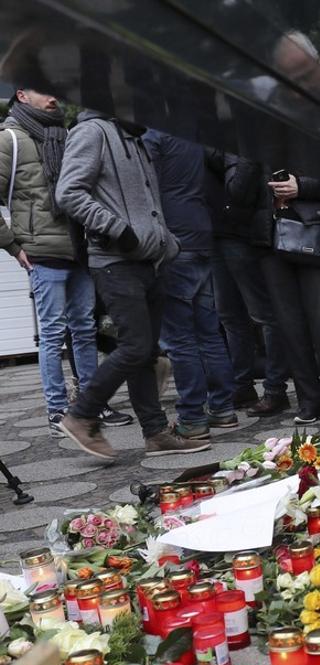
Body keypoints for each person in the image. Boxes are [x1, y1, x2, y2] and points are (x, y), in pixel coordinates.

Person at [54, 110, 208, 459]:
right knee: (136, 347)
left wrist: (167, 244)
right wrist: (117, 230)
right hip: (115, 262)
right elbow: (69, 192)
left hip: (150, 262)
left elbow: (147, 205)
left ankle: (155, 434)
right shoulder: (92, 132)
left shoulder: (134, 138)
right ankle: (81, 414)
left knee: (146, 353)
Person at [0, 89, 132, 433]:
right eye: (43, 90)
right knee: (53, 335)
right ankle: (57, 410)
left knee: (85, 330)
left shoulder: (69, 134)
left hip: (78, 247)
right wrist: (13, 246)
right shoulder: (11, 138)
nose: (53, 97)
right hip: (42, 251)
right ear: (22, 94)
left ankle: (91, 404)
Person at [143, 128, 237, 441]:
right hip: (200, 231)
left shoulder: (152, 136)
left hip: (173, 237)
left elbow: (147, 186)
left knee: (180, 338)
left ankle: (192, 417)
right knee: (208, 330)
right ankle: (223, 408)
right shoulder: (188, 132)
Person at [262, 169, 320, 426]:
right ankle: (311, 401)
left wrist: (301, 187)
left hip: (312, 230)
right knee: (289, 326)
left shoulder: (313, 132)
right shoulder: (248, 136)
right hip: (268, 235)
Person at [207, 151, 291, 416]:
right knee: (229, 315)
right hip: (215, 231)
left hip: (237, 230)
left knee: (262, 313)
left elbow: (241, 180)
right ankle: (242, 385)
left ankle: (275, 389)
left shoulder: (222, 125)